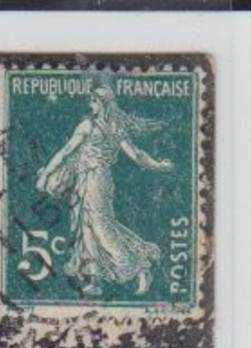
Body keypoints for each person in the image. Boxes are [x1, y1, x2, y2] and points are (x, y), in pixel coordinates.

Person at [35, 83, 175, 298]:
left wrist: (158, 166)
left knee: (100, 226)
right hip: (85, 179)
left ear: (103, 103)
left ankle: (138, 267)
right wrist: (157, 165)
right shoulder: (97, 126)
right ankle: (94, 279)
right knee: (85, 227)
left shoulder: (101, 127)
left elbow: (135, 155)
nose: (90, 104)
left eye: (94, 101)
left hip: (97, 179)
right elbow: (66, 153)